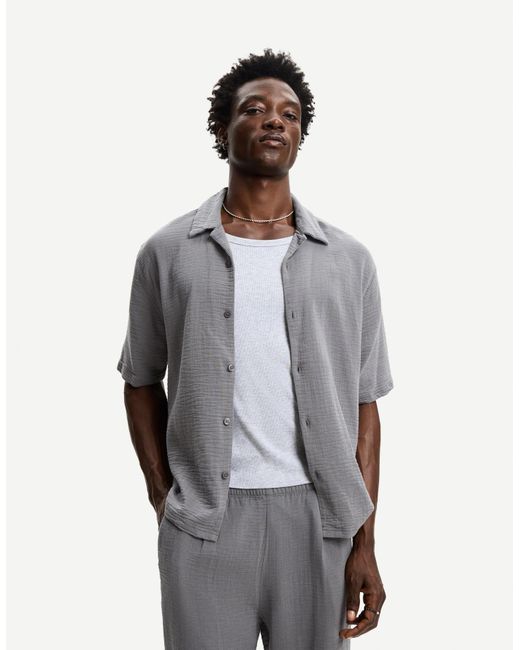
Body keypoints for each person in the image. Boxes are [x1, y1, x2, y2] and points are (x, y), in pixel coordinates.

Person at [117, 48, 394, 650]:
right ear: (223, 128)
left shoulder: (349, 261)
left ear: (300, 136)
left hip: (320, 523)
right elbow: (139, 380)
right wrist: (164, 496)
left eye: (290, 114)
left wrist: (365, 543)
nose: (275, 120)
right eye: (255, 109)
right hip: (204, 523)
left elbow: (365, 404)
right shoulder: (167, 252)